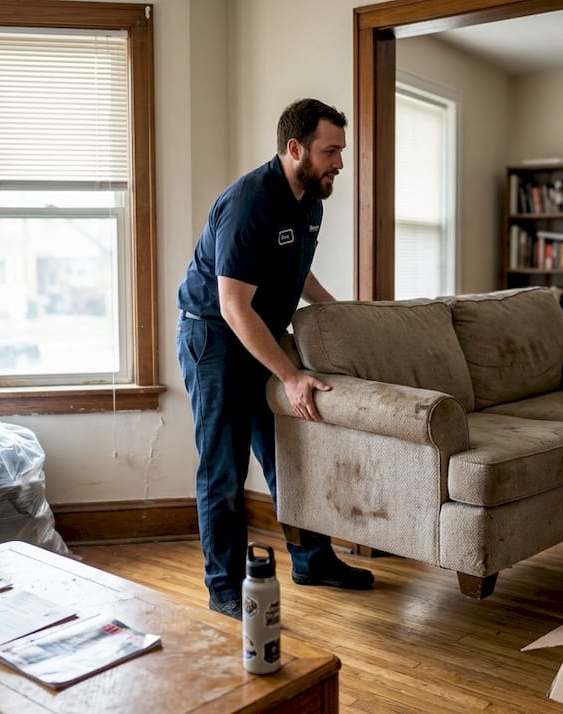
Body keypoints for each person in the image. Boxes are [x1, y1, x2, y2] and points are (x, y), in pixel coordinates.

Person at [176, 98, 374, 618]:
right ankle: (225, 587)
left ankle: (312, 560)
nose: (340, 163)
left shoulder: (311, 200)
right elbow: (233, 305)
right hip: (214, 339)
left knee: (290, 457)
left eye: (341, 151)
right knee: (224, 467)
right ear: (295, 148)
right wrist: (290, 375)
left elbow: (297, 273)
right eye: (331, 151)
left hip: (259, 334)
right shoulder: (249, 204)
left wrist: (342, 317)